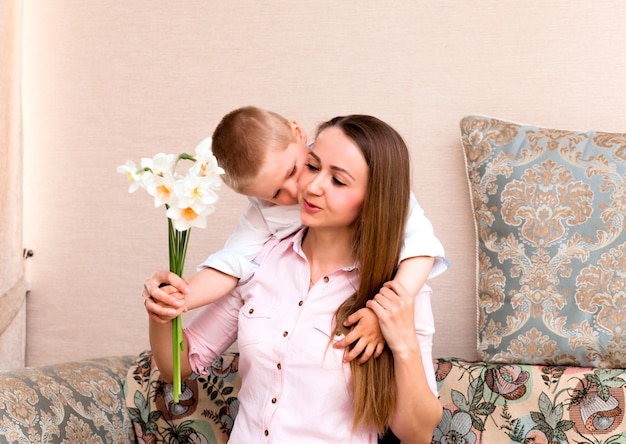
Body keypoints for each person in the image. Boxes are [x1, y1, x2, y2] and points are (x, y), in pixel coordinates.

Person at [146, 115, 443, 443]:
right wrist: (163, 307)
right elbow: (179, 365)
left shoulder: (400, 288)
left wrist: (401, 343)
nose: (311, 187)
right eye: (312, 167)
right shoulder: (260, 261)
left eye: (339, 181)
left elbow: (417, 434)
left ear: (374, 198)